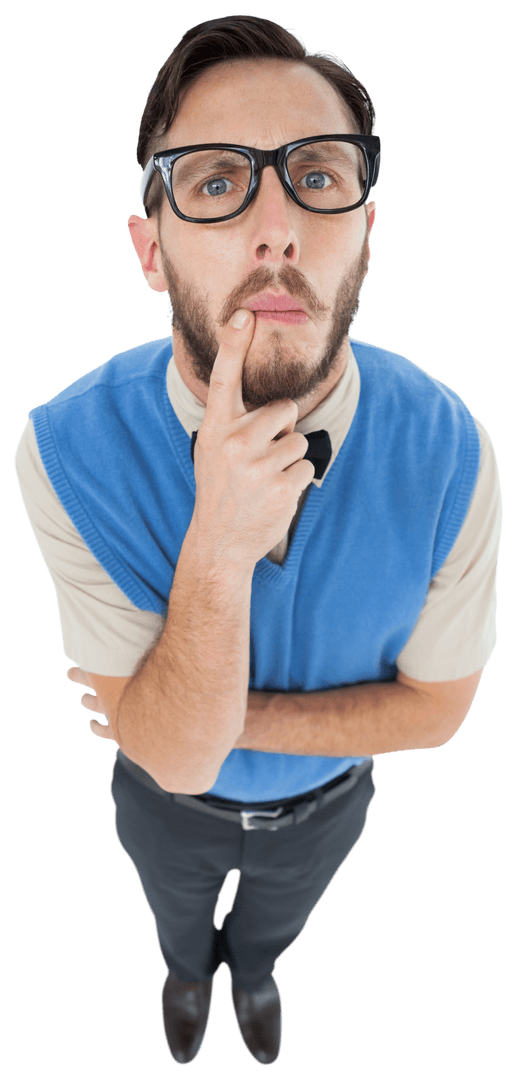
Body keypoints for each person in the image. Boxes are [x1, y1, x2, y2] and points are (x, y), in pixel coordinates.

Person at [14, 14, 502, 1068]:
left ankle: (261, 980)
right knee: (175, 916)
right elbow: (173, 762)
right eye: (215, 181)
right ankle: (188, 980)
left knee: (277, 924)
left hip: (329, 807)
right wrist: (220, 544)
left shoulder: (456, 452)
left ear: (365, 232)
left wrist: (198, 717)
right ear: (152, 247)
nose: (275, 226)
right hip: (162, 809)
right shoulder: (59, 450)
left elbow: (439, 717)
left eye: (317, 176)